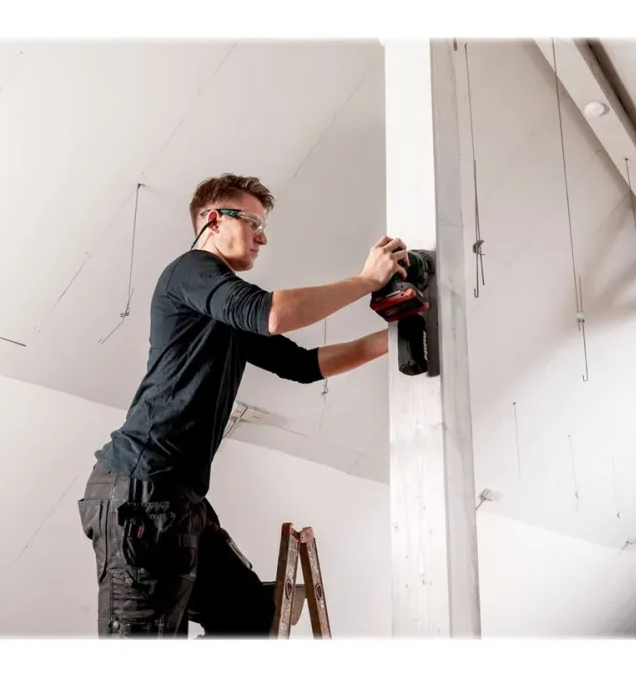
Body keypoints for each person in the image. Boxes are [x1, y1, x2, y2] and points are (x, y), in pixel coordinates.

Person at [77, 173, 408, 637]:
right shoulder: (190, 271)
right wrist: (366, 280)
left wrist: (392, 337)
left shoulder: (222, 309)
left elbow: (303, 365)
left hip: (179, 499)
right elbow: (272, 314)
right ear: (213, 220)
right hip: (139, 492)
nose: (262, 237)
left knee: (250, 616)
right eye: (253, 222)